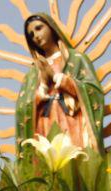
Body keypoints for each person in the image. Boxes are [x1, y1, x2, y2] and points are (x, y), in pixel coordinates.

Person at [16, 13, 104, 151]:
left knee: (73, 156)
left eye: (39, 28)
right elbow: (22, 107)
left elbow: (94, 92)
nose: (36, 36)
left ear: (51, 28)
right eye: (31, 35)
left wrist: (62, 79)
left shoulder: (76, 59)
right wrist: (41, 92)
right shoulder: (33, 73)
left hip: (72, 121)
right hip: (45, 123)